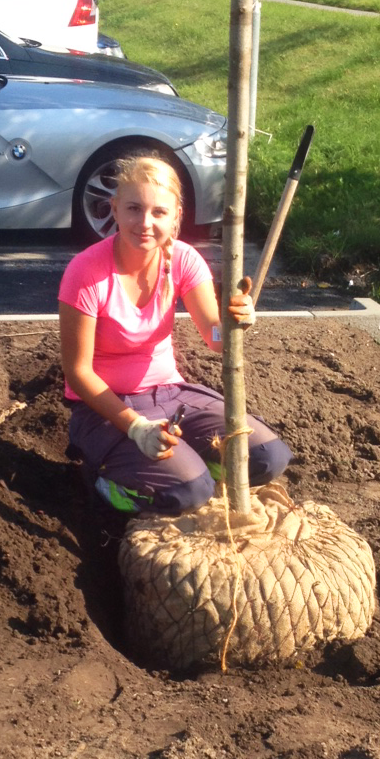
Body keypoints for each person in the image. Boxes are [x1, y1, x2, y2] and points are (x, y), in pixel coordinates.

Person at [58, 154, 292, 516]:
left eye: (159, 212)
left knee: (268, 458)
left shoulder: (182, 260)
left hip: (171, 395)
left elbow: (215, 337)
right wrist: (136, 429)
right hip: (104, 408)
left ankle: (184, 467)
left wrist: (237, 322)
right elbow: (78, 372)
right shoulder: (86, 272)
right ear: (114, 209)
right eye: (134, 208)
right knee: (190, 492)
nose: (145, 223)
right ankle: (106, 483)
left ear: (176, 216)